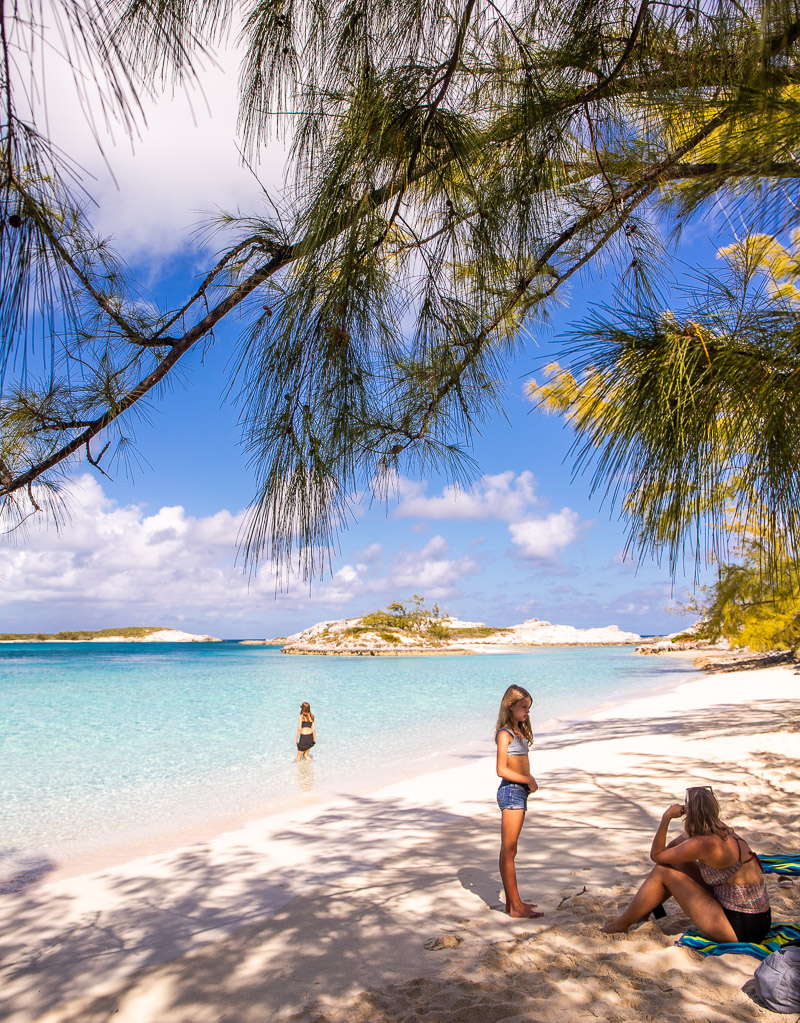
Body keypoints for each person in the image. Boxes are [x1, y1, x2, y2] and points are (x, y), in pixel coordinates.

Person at [601, 785, 771, 943]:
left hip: (739, 928)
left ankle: (620, 925)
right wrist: (689, 831)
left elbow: (657, 855)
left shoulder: (703, 844)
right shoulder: (719, 829)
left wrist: (666, 818)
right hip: (759, 921)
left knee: (662, 871)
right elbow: (669, 852)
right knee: (671, 865)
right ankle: (647, 912)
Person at [495, 684, 544, 919]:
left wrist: (527, 783)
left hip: (519, 792)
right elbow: (501, 769)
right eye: (523, 707)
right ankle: (514, 906)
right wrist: (527, 779)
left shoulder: (519, 730)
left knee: (510, 849)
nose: (527, 712)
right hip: (511, 792)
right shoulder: (505, 733)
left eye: (529, 708)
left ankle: (514, 902)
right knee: (509, 849)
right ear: (510, 705)